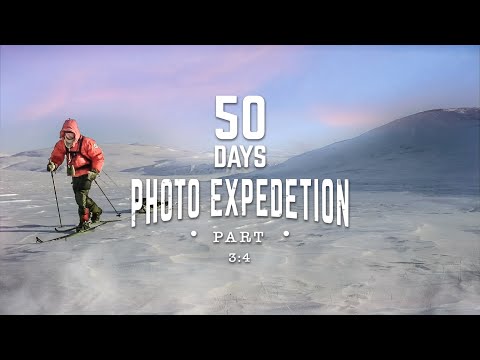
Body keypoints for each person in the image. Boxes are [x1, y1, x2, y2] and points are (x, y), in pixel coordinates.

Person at [47, 118, 105, 231]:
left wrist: (95, 171)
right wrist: (53, 165)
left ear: (75, 132)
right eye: (66, 133)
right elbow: (56, 157)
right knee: (80, 197)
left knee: (81, 197)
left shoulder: (87, 142)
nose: (68, 136)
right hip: (74, 174)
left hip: (88, 173)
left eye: (71, 133)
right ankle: (97, 211)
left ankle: (84, 221)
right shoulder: (62, 144)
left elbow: (98, 157)